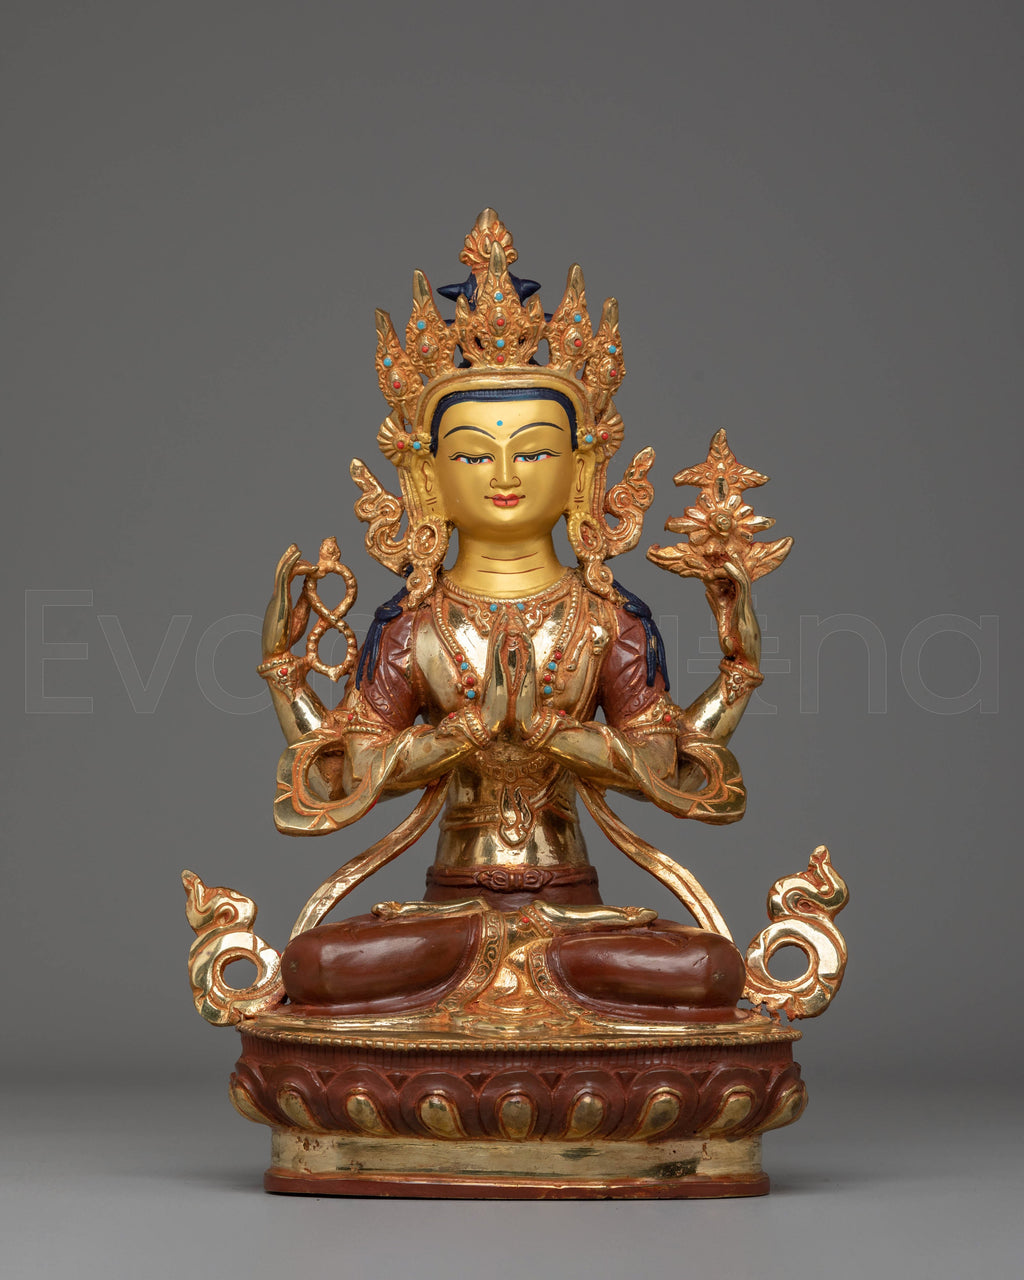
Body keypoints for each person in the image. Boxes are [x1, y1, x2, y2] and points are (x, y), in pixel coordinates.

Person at [257, 213, 766, 1023]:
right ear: (426, 475)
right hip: (447, 911)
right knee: (316, 965)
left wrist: (735, 668)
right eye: (471, 453)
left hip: (575, 910)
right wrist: (289, 677)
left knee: (708, 971)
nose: (503, 474)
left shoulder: (606, 617)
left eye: (532, 450)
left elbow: (670, 768)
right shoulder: (412, 623)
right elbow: (340, 776)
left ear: (582, 469)